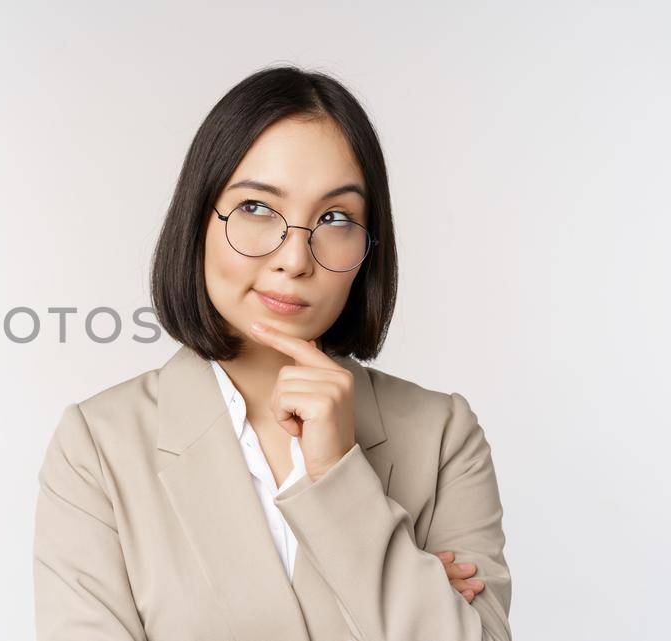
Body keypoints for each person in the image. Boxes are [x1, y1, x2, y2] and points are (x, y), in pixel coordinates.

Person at [32, 66, 511, 641]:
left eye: (335, 218)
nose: (295, 258)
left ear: (369, 247)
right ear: (198, 218)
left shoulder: (441, 434)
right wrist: (414, 593)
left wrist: (337, 475)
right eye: (258, 208)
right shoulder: (98, 444)